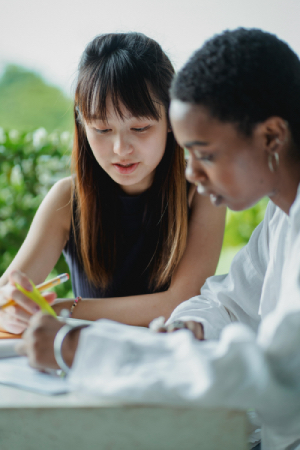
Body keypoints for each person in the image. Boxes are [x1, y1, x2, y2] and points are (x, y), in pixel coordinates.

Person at [18, 27, 300, 449]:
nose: (191, 173)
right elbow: (226, 300)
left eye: (204, 154)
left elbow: (280, 378)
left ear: (271, 137)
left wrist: (82, 347)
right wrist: (190, 327)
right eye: (102, 129)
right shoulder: (280, 219)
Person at [0, 32, 226, 334]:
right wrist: (12, 306)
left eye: (140, 127)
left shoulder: (203, 189)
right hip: (87, 367)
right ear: (83, 125)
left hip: (167, 366)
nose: (121, 148)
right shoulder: (67, 198)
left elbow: (180, 301)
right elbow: (10, 293)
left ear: (171, 120)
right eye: (102, 129)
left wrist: (63, 309)